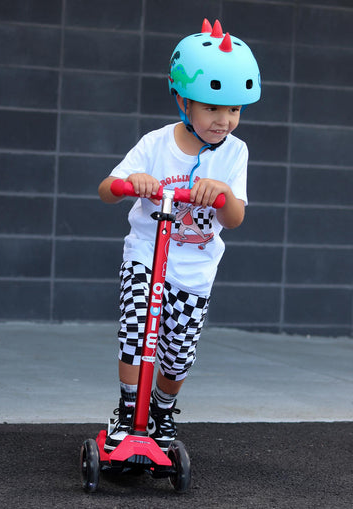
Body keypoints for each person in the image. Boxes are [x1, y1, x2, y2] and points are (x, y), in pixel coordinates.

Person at [98, 19, 261, 452]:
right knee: (136, 337)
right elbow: (106, 190)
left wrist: (223, 194)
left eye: (234, 110)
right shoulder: (155, 144)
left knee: (176, 357)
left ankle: (162, 412)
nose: (224, 121)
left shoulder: (236, 152)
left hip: (194, 272)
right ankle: (129, 411)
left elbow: (235, 219)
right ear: (182, 101)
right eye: (212, 108)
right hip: (146, 258)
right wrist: (133, 181)